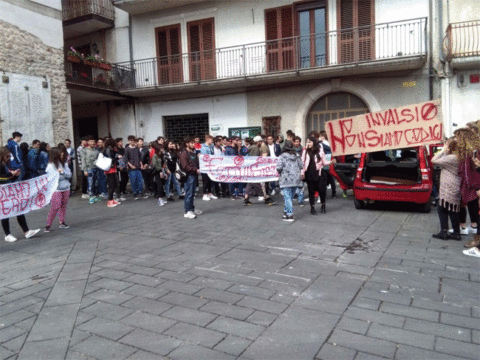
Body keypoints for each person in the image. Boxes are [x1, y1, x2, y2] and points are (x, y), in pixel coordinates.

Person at [0, 147, 40, 242]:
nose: (9, 158)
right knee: (5, 212)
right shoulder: (1, 165)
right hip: (3, 193)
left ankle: (26, 231)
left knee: (19, 209)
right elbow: (2, 178)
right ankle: (7, 234)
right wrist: (12, 175)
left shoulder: (5, 164)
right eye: (7, 156)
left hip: (9, 190)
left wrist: (14, 175)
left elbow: (7, 178)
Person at [431, 138, 461, 240]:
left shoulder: (452, 157)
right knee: (452, 209)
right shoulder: (458, 156)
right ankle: (455, 232)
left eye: (447, 144)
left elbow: (434, 160)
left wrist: (443, 150)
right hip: (454, 184)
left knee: (443, 208)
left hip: (449, 186)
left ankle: (445, 232)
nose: (445, 146)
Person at [45, 147, 72, 232]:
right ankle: (48, 225)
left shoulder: (64, 163)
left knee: (63, 206)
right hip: (56, 189)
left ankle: (62, 222)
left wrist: (62, 173)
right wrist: (59, 173)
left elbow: (69, 175)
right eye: (60, 152)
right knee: (55, 206)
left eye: (62, 152)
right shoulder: (51, 165)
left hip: (66, 187)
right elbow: (52, 178)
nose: (62, 154)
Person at [302, 136, 331, 214]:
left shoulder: (319, 151)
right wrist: (302, 173)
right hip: (309, 174)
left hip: (319, 173)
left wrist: (331, 162)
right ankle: (312, 208)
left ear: (313, 142)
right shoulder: (305, 152)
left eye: (310, 142)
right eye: (307, 142)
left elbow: (324, 162)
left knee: (322, 191)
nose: (308, 143)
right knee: (311, 192)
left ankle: (323, 205)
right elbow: (302, 163)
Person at [277, 141, 303, 222]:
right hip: (296, 179)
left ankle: (289, 214)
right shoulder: (297, 155)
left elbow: (279, 167)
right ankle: (286, 212)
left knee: (287, 197)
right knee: (289, 197)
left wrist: (281, 171)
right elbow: (301, 166)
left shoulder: (282, 156)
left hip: (286, 178)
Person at [179, 137, 202, 219]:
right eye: (191, 143)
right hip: (189, 175)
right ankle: (187, 211)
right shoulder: (184, 153)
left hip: (194, 175)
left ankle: (192, 209)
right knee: (189, 193)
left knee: (192, 194)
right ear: (187, 144)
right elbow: (185, 166)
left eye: (193, 143)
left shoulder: (193, 152)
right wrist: (195, 170)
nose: (193, 144)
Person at [81, 136, 101, 204]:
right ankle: (91, 197)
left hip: (96, 168)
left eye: (93, 141)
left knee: (96, 183)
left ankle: (95, 196)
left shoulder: (96, 151)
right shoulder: (84, 150)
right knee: (90, 183)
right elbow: (83, 161)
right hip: (89, 168)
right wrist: (85, 170)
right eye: (91, 141)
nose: (92, 143)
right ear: (88, 142)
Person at [102, 138, 121, 208]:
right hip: (110, 170)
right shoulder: (108, 149)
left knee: (115, 184)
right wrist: (117, 158)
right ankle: (109, 201)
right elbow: (110, 160)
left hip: (112, 169)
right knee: (111, 185)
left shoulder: (109, 149)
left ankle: (112, 199)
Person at [124, 136, 144, 200]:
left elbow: (140, 157)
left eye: (133, 141)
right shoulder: (127, 149)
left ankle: (140, 192)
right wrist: (130, 165)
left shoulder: (136, 149)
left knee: (140, 180)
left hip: (138, 167)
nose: (132, 142)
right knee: (133, 181)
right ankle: (135, 192)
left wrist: (141, 164)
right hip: (131, 168)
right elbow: (126, 159)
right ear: (128, 141)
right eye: (131, 140)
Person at [200, 135, 218, 201]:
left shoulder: (211, 146)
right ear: (208, 139)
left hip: (210, 165)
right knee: (205, 181)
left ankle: (210, 193)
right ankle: (204, 194)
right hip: (205, 166)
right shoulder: (203, 147)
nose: (212, 141)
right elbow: (205, 156)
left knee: (210, 180)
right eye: (211, 140)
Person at [319, 130, 336, 199]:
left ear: (322, 137)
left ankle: (325, 193)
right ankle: (333, 193)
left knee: (325, 177)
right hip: (329, 160)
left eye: (320, 136)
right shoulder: (328, 143)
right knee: (331, 177)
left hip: (326, 160)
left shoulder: (323, 144)